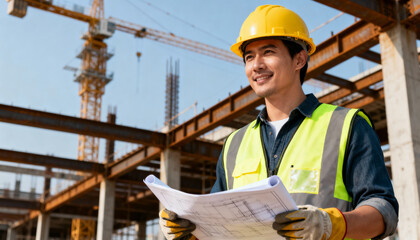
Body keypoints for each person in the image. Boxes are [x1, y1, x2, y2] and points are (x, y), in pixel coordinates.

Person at [159, 4, 398, 240]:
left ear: (299, 59)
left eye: (268, 52)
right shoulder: (234, 144)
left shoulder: (347, 125)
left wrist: (331, 224)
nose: (256, 65)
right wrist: (191, 232)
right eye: (249, 57)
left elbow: (384, 211)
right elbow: (218, 226)